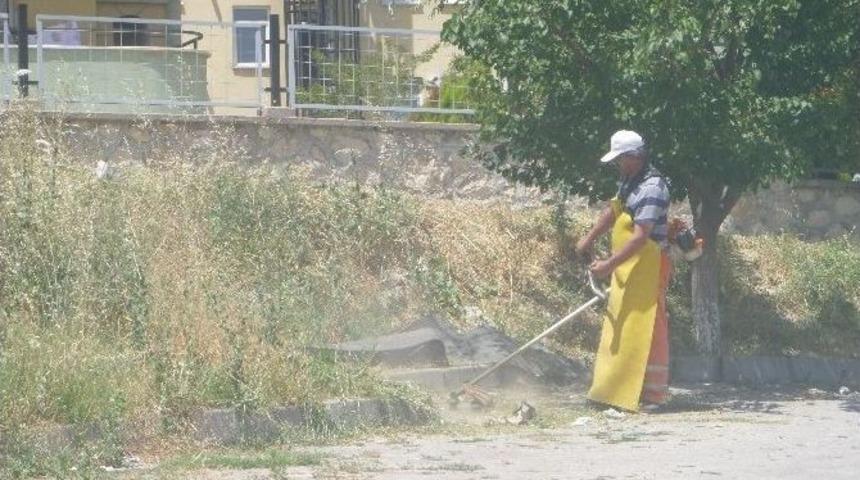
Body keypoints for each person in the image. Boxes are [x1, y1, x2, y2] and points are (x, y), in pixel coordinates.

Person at [575, 130, 672, 413]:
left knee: (649, 327)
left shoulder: (653, 187)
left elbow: (642, 236)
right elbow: (615, 210)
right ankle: (616, 389)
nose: (618, 164)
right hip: (632, 266)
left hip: (651, 265)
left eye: (621, 159)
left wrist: (608, 264)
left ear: (635, 157)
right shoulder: (630, 181)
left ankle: (653, 396)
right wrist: (589, 238)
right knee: (623, 326)